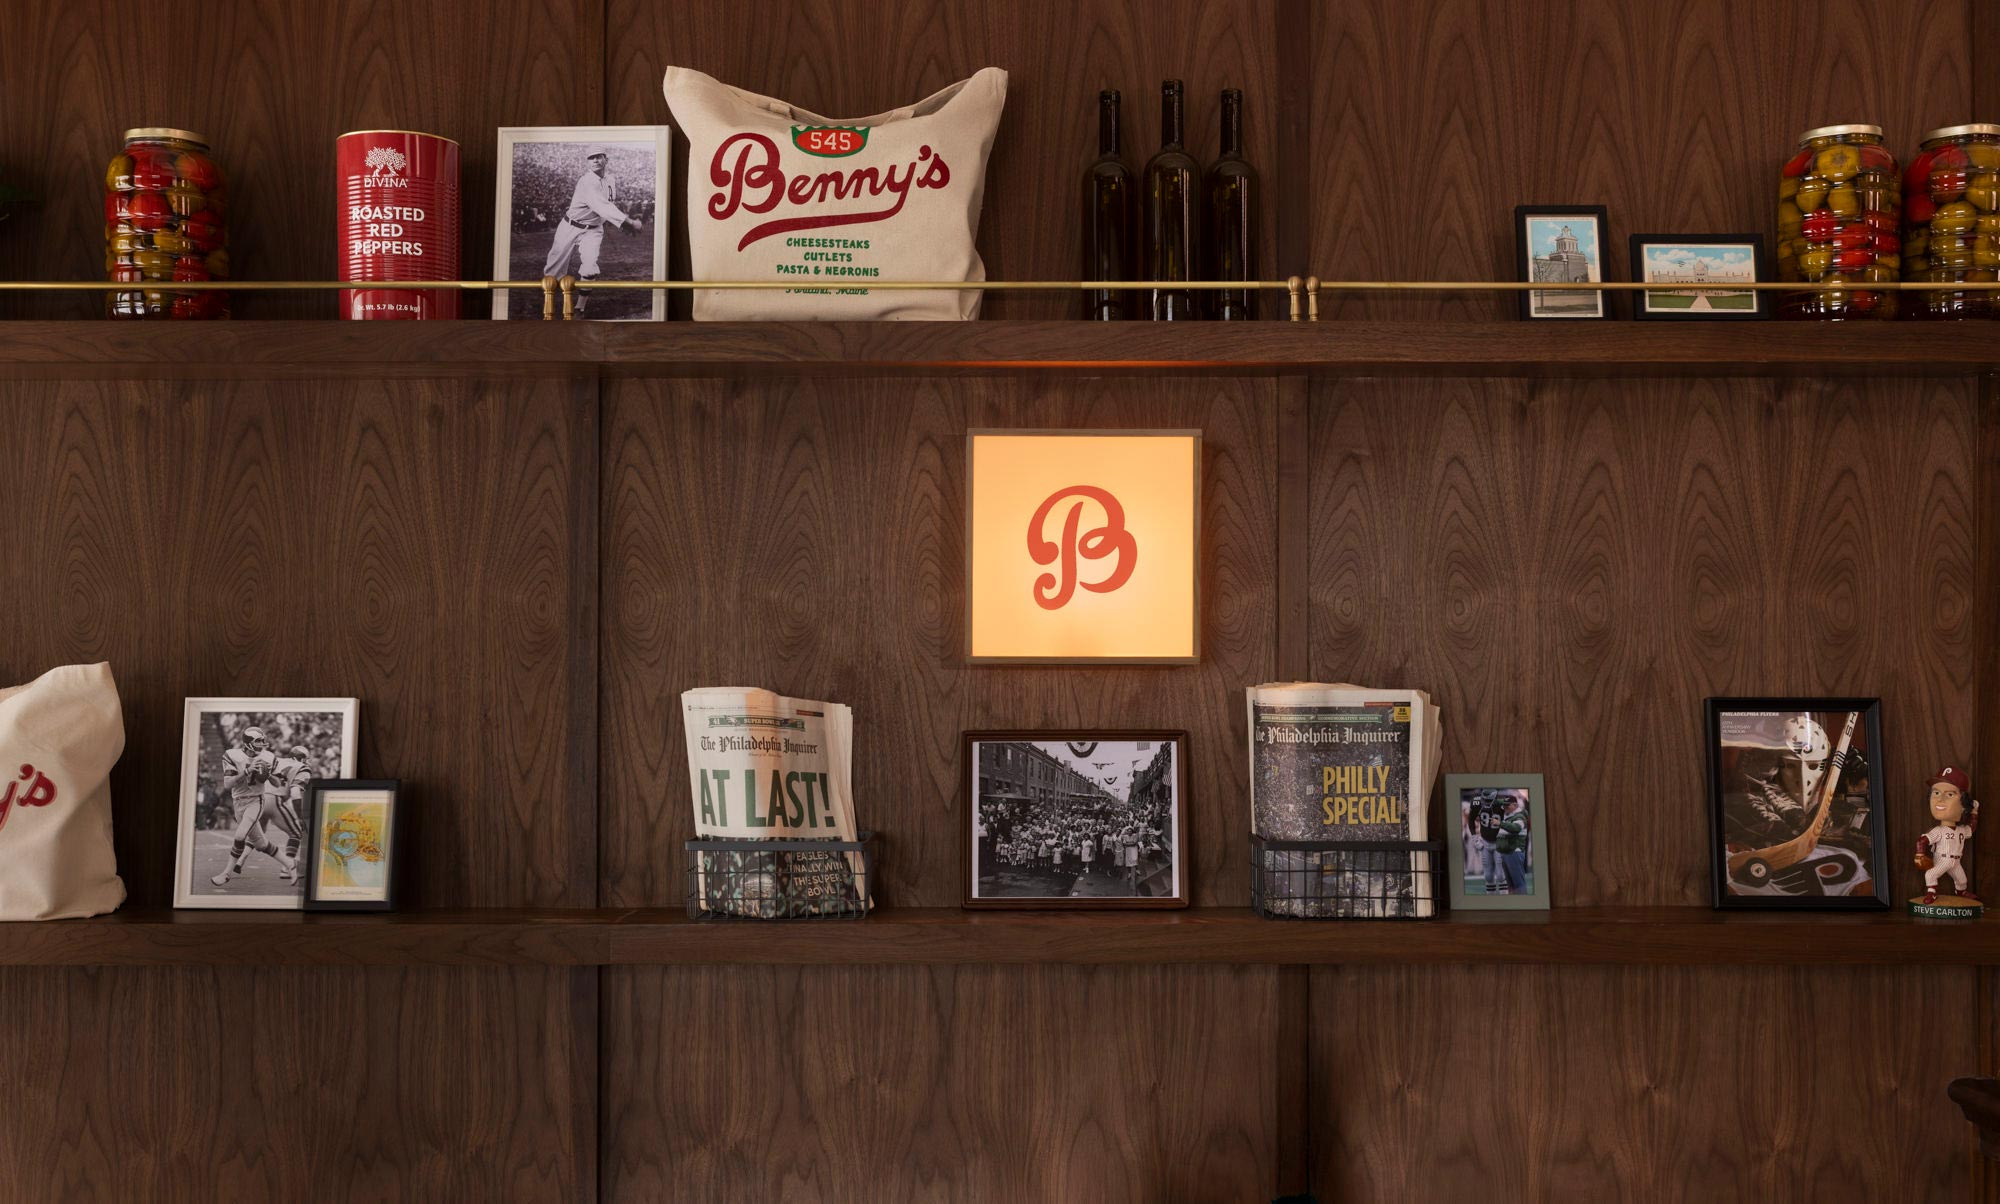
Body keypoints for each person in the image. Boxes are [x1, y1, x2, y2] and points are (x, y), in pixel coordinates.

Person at [210, 726, 298, 886]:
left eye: (262, 740)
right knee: (261, 843)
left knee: (239, 835)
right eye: (258, 741)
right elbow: (228, 784)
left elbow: (278, 783)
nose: (262, 744)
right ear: (248, 742)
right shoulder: (232, 755)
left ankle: (226, 873)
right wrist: (247, 771)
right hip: (238, 802)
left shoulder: (268, 757)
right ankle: (289, 863)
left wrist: (268, 774)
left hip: (256, 801)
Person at [541, 146, 642, 282]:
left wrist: (622, 223)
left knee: (589, 270)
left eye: (598, 156)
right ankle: (549, 301)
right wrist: (630, 222)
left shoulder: (611, 179)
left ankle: (580, 304)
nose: (595, 160)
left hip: (593, 230)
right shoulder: (587, 181)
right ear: (588, 162)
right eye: (591, 158)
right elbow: (602, 206)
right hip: (570, 226)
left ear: (606, 160)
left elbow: (608, 205)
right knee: (552, 273)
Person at [1493, 794, 1530, 896]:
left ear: (1515, 805)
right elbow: (1497, 802)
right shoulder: (1510, 814)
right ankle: (1515, 905)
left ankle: (1523, 905)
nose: (1505, 807)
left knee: (1518, 883)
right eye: (1504, 805)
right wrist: (1501, 801)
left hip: (1514, 851)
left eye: (1507, 805)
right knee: (1511, 885)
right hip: (1507, 852)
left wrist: (1500, 823)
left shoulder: (1520, 816)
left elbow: (1516, 828)